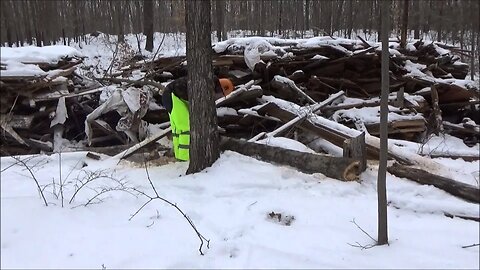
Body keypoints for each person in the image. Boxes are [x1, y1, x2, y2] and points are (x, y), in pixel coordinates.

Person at [161, 76, 234, 161]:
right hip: (174, 97)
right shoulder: (208, 87)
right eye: (222, 94)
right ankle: (185, 157)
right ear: (221, 89)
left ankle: (178, 154)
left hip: (172, 96)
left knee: (177, 129)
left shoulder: (208, 81)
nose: (219, 96)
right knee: (186, 127)